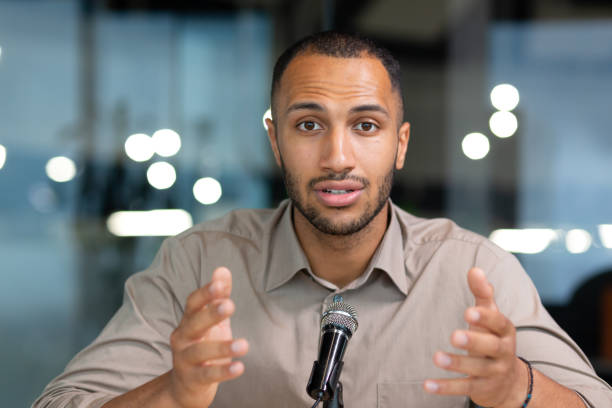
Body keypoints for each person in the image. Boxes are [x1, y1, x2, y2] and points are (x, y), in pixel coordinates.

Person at [34, 31, 611, 408]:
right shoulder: (201, 263)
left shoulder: (473, 270)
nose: (338, 157)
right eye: (309, 125)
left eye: (365, 126)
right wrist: (171, 391)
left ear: (400, 144)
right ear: (275, 140)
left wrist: (518, 387)